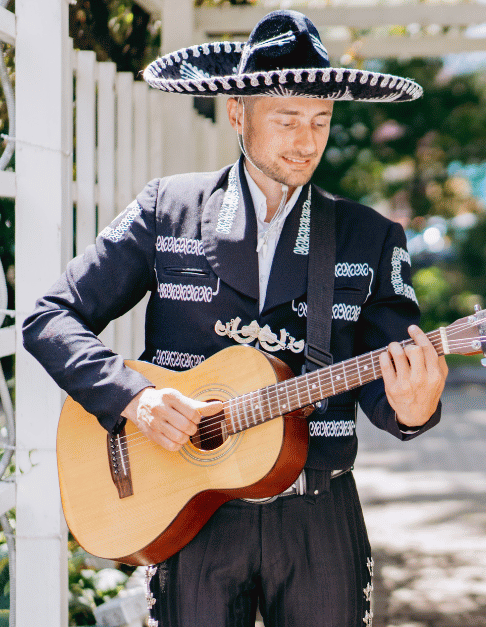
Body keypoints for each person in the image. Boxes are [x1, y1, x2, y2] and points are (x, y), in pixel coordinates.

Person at [22, 10, 446, 627]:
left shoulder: (370, 238)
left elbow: (393, 391)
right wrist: (133, 398)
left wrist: (415, 406)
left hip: (317, 512)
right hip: (187, 510)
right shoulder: (166, 211)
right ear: (237, 112)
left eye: (321, 121)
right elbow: (50, 316)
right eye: (286, 119)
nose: (306, 141)